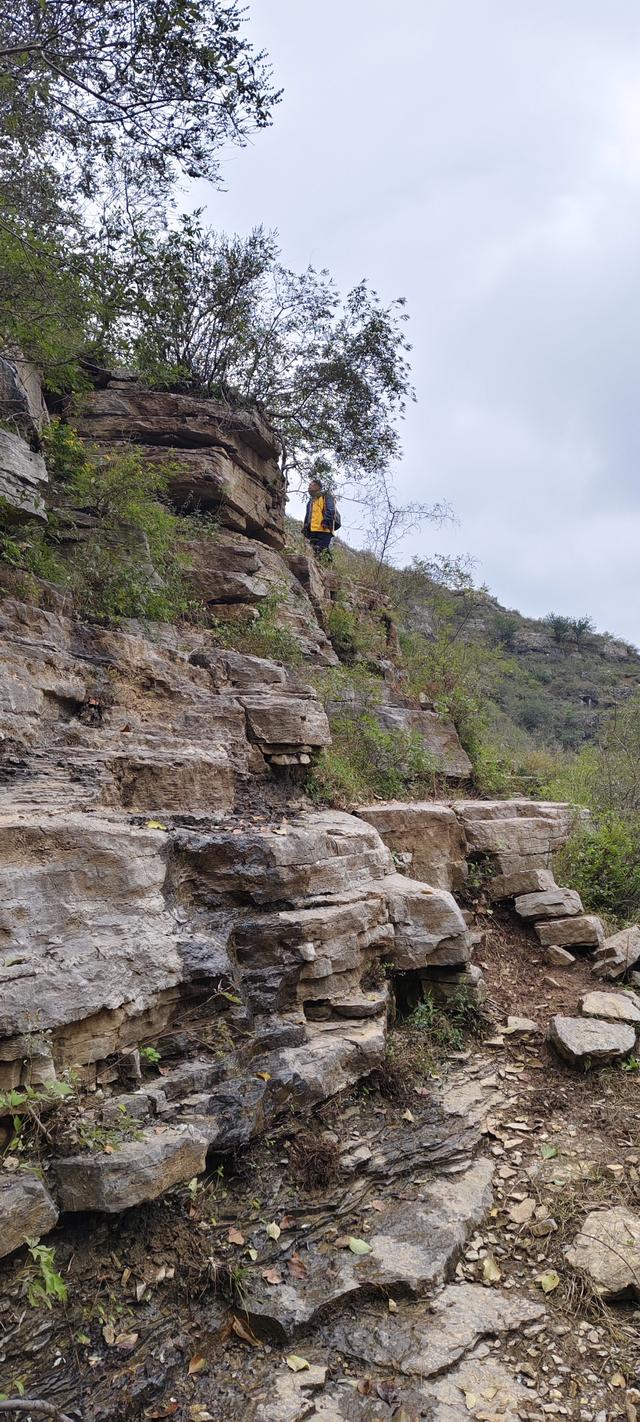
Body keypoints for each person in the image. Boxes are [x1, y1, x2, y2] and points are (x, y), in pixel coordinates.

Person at [302, 478, 340, 556]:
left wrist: (326, 521)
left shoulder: (326, 496)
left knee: (322, 551)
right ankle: (324, 566)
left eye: (311, 485)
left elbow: (331, 509)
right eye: (309, 485)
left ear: (317, 487)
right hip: (313, 531)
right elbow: (308, 516)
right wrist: (306, 527)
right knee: (314, 552)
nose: (309, 487)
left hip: (324, 530)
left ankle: (328, 566)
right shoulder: (310, 501)